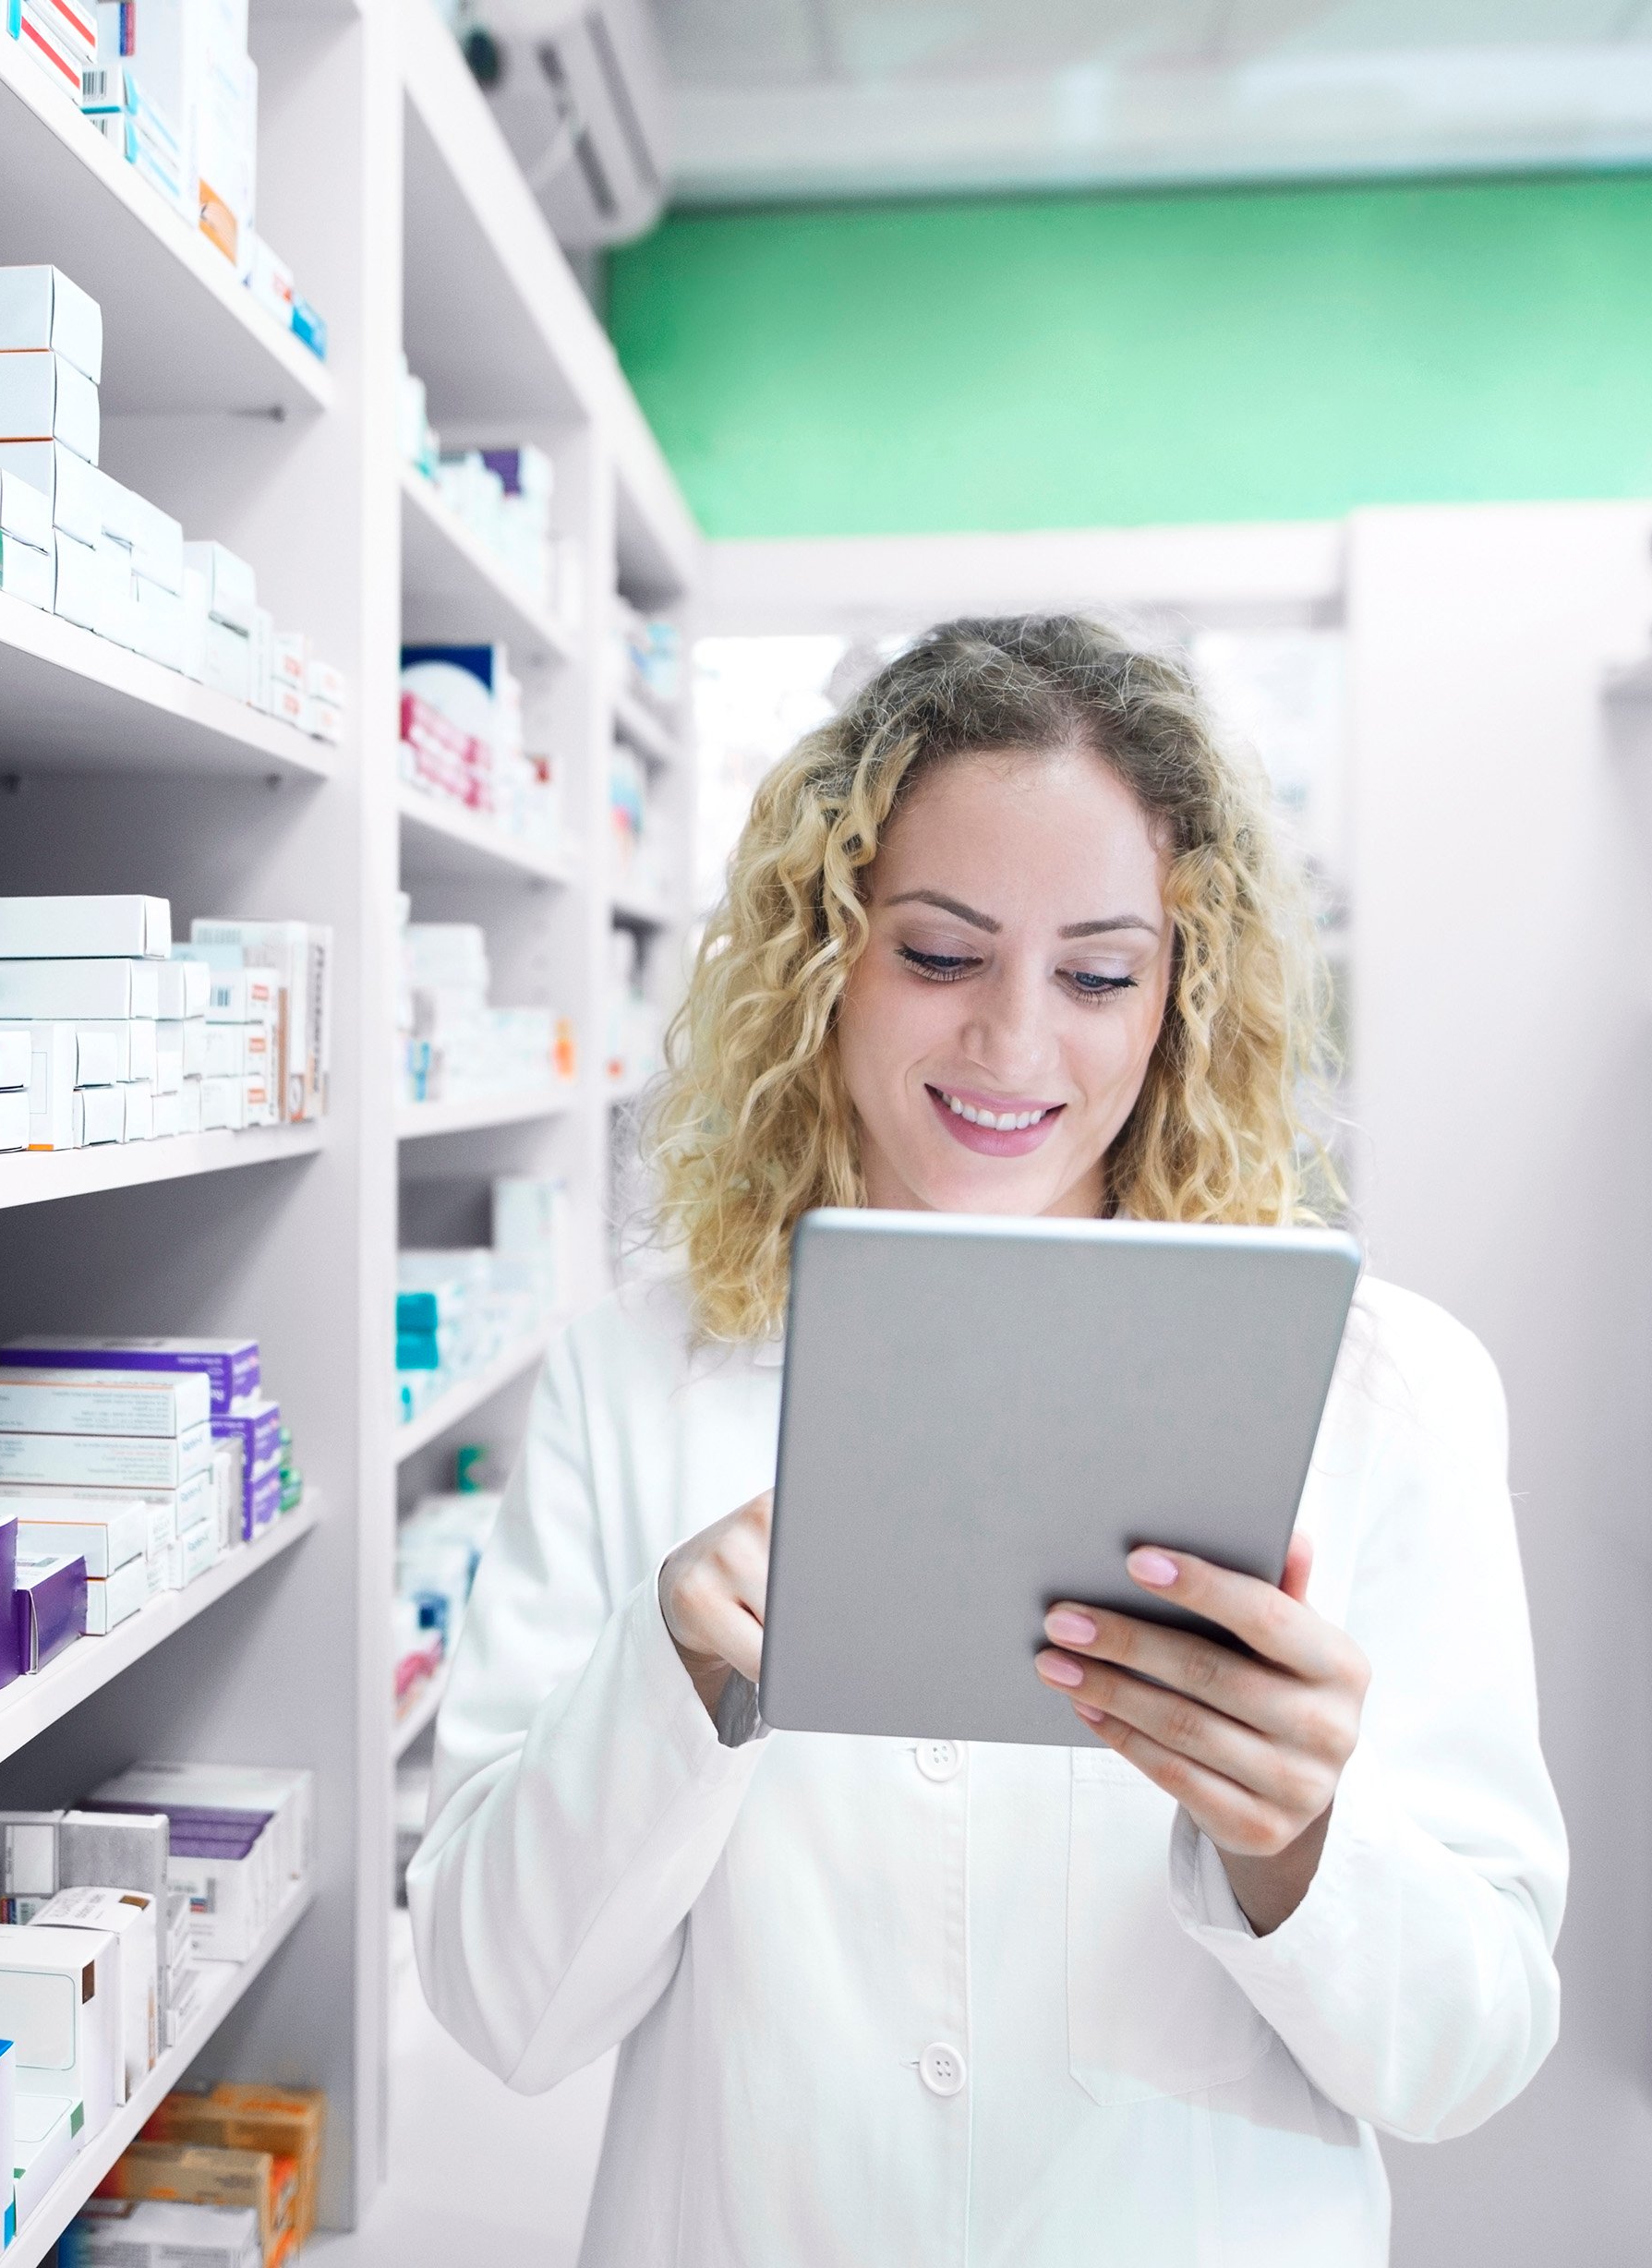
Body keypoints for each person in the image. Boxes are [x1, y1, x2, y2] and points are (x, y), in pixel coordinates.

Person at [406, 614, 1567, 2262]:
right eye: (941, 956)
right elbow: (501, 2007)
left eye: (1099, 975)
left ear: (1181, 996)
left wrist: (1301, 1842)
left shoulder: (1385, 1390)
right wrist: (670, 1687)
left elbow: (1471, 2052)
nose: (1014, 1046)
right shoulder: (640, 1375)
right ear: (824, 950)